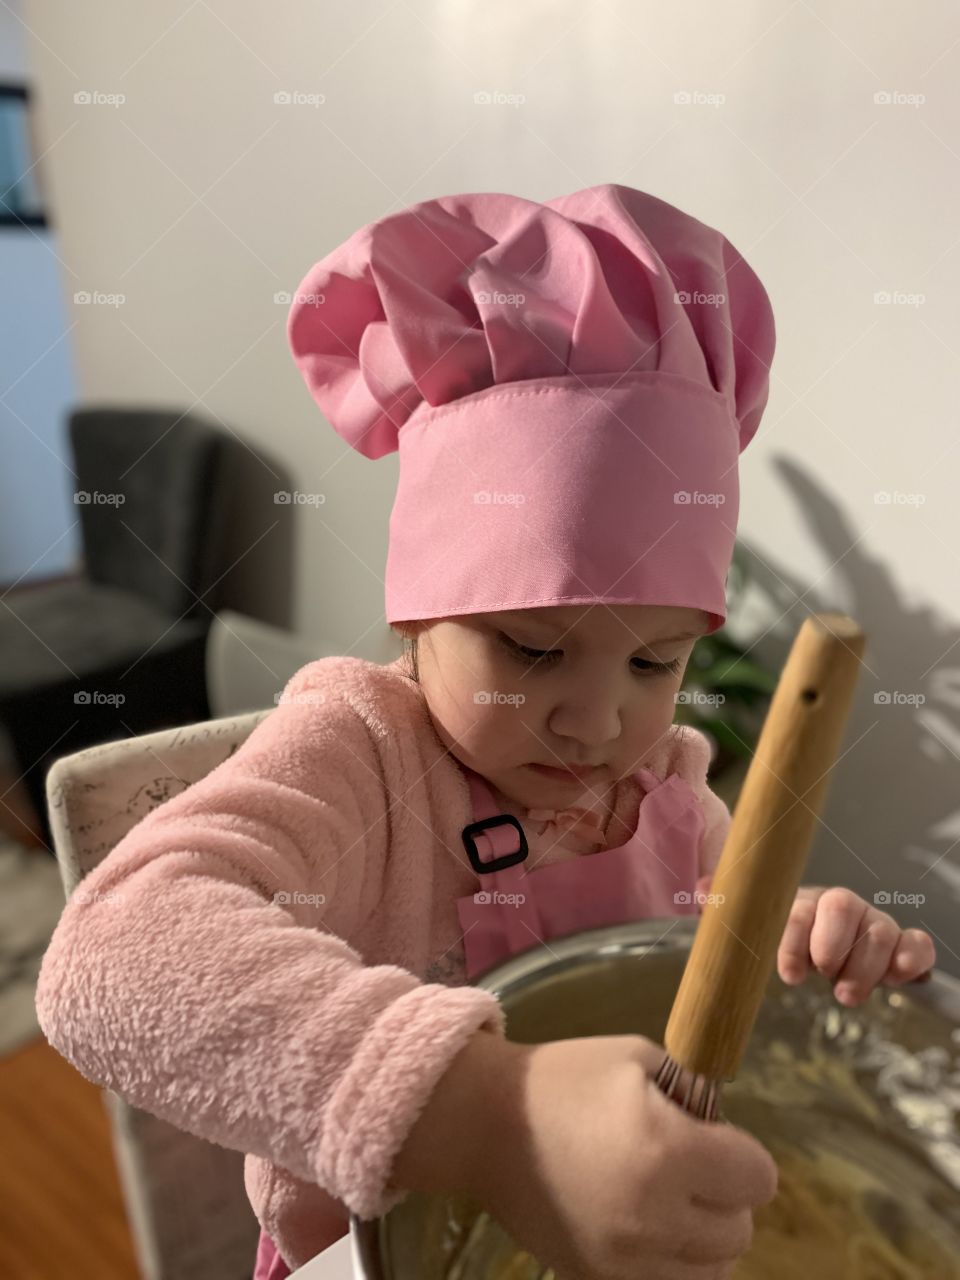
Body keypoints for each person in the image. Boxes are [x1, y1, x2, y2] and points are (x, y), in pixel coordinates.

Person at [35, 184, 936, 1280]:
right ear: (417, 613)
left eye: (655, 661)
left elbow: (709, 937)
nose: (601, 721)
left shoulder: (662, 783)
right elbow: (105, 959)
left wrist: (798, 933)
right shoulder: (361, 754)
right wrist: (493, 1114)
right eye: (530, 648)